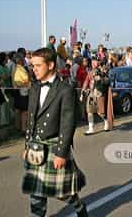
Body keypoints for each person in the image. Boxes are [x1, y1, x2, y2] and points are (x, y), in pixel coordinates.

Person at [22, 47, 87, 217]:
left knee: (63, 193)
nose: (33, 69)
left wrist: (61, 153)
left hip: (54, 146)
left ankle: (79, 207)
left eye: (37, 65)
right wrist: (27, 145)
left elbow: (67, 124)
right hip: (36, 147)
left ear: (50, 65)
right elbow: (31, 119)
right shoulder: (35, 87)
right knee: (36, 195)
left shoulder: (65, 90)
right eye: (32, 65)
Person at [80, 56, 114, 134]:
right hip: (91, 94)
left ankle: (106, 122)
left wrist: (101, 79)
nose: (93, 63)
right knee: (89, 110)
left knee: (101, 112)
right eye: (92, 62)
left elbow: (107, 81)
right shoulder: (90, 72)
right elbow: (86, 82)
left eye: (95, 62)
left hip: (100, 93)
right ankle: (91, 128)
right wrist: (82, 92)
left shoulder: (103, 71)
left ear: (98, 62)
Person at [12, 52, 30, 133]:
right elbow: (18, 82)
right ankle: (23, 128)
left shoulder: (19, 68)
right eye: (22, 58)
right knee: (24, 111)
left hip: (21, 91)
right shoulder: (18, 69)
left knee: (20, 111)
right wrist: (27, 83)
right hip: (22, 91)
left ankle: (19, 127)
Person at [0, 52, 12, 126]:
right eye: (5, 58)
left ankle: (7, 121)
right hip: (2, 89)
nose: (7, 59)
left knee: (7, 106)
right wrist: (10, 75)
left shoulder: (6, 67)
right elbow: (3, 77)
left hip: (8, 88)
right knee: (3, 107)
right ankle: (3, 122)